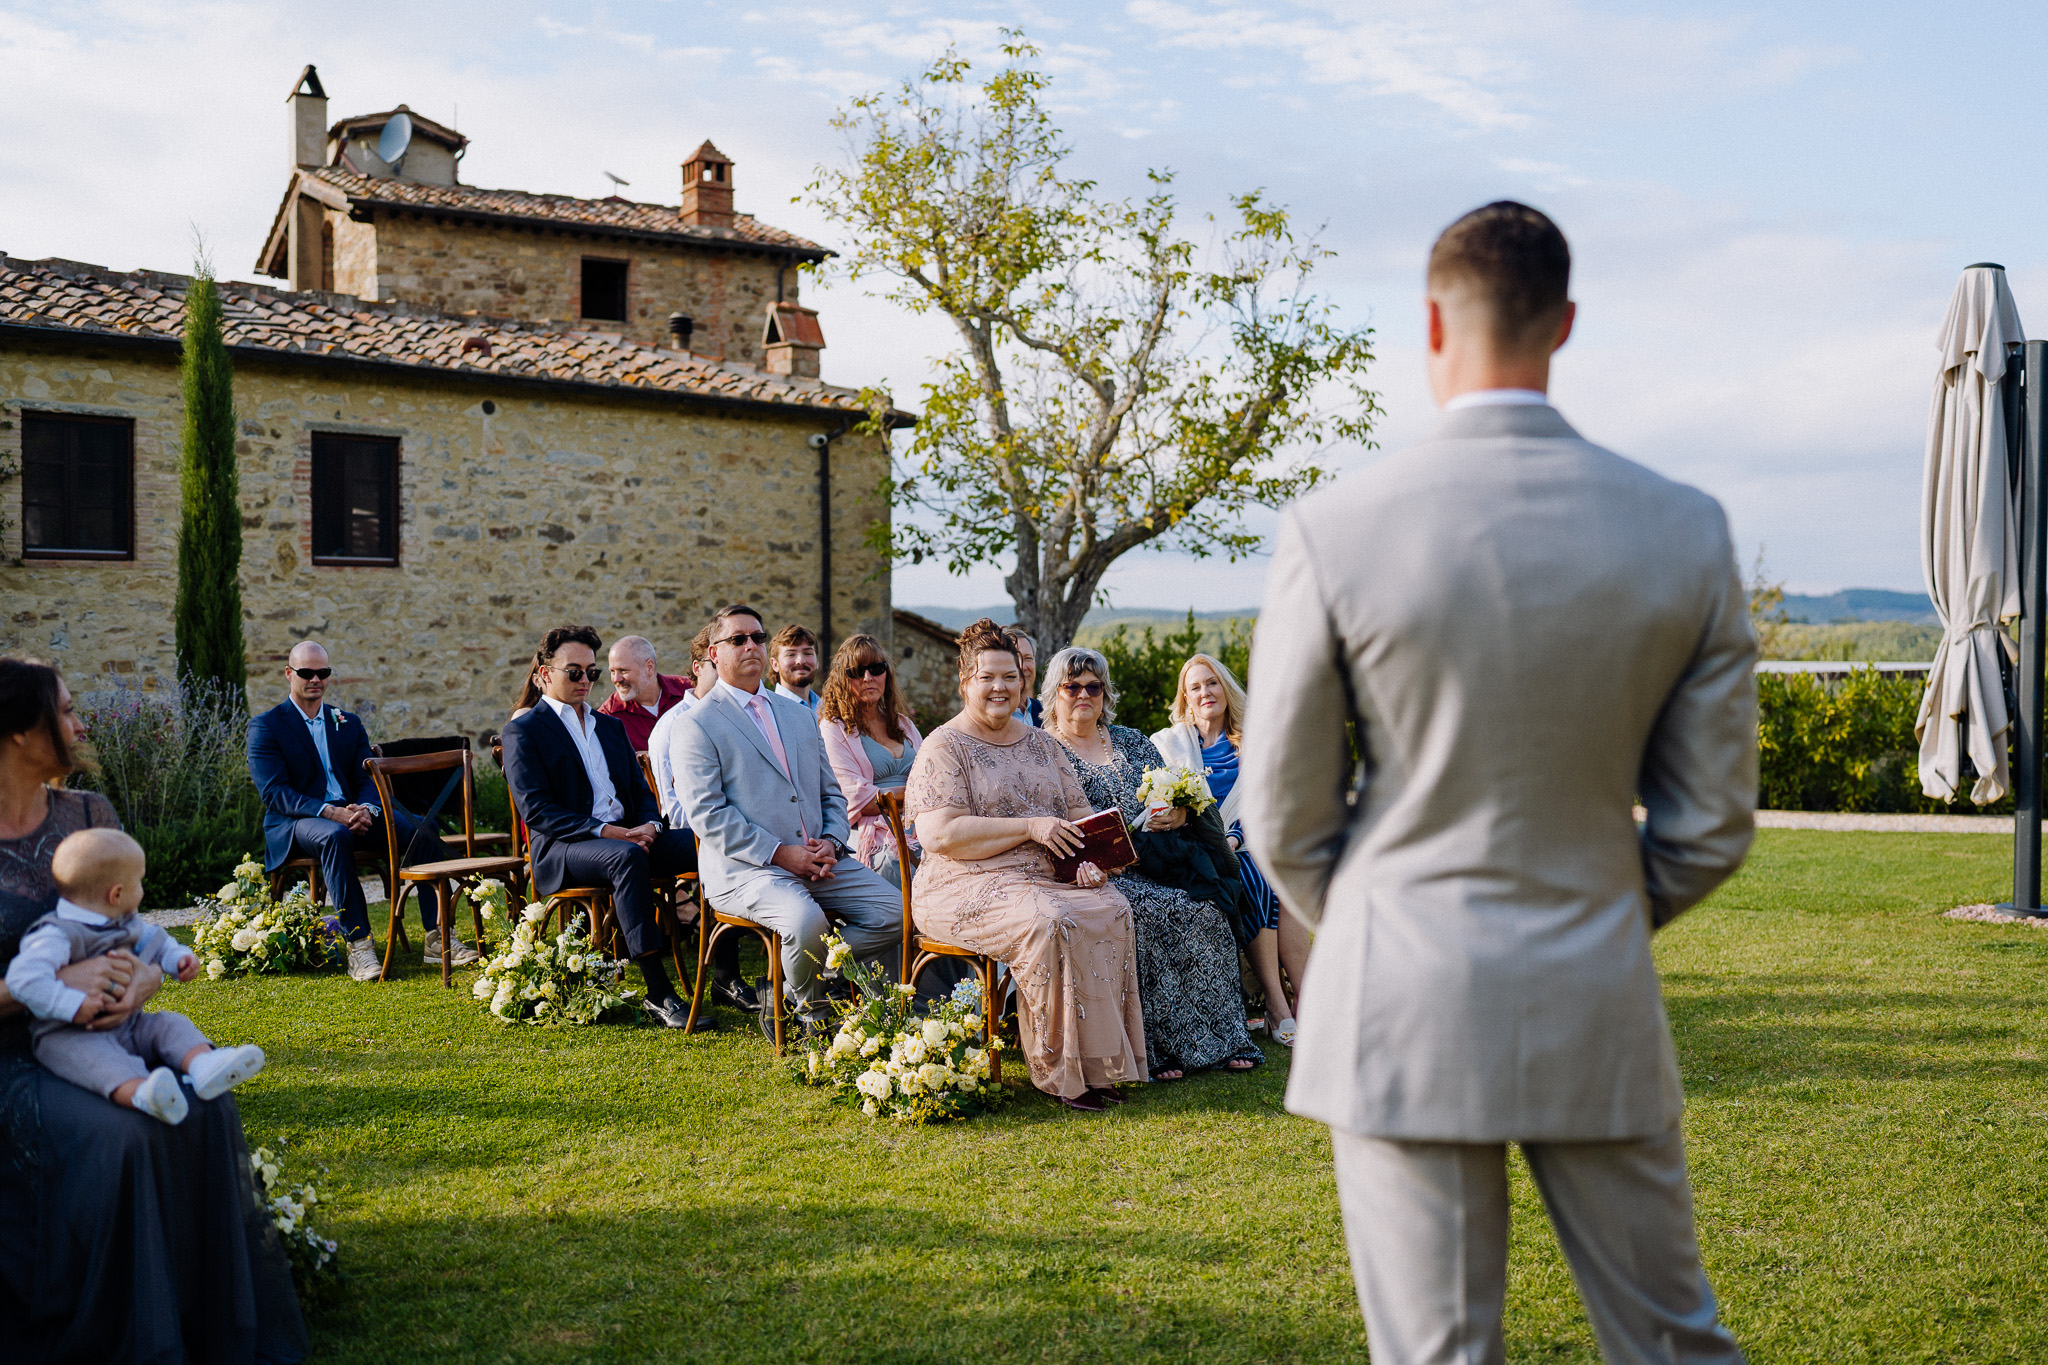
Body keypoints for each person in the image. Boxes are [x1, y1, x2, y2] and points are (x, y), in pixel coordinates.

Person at [1240, 201, 1753, 1363]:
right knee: (1672, 1344)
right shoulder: (1683, 529)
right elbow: (1709, 825)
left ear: (1430, 321)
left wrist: (1381, 921)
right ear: (1563, 323)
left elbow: (1281, 815)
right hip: (1595, 989)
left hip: (1396, 1001)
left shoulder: (1334, 528)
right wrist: (1598, 912)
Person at [0, 657, 306, 1361]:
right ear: (19, 730)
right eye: (66, 711)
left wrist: (143, 982)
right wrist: (59, 981)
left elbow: (132, 934)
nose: (81, 725)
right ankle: (130, 1335)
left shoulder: (88, 816)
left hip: (115, 1030)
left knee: (207, 1107)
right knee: (127, 1135)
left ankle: (206, 1322)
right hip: (20, 1052)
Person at [904, 619, 1146, 1112]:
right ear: (965, 682)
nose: (1000, 687)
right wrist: (1030, 827)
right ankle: (1060, 1072)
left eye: (1010, 677)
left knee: (1112, 907)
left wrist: (1089, 862)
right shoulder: (944, 746)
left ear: (1023, 683)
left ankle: (1097, 1065)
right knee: (1049, 920)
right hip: (961, 882)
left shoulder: (1043, 744)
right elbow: (940, 834)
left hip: (1045, 877)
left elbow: (1079, 815)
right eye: (987, 677)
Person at [672, 605, 902, 1037]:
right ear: (713, 653)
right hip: (746, 870)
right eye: (738, 639)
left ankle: (793, 986)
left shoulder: (798, 715)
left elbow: (831, 793)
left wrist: (832, 841)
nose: (751, 646)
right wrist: (780, 854)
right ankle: (813, 1015)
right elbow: (708, 814)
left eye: (758, 638)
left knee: (897, 912)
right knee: (806, 922)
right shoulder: (696, 725)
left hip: (820, 859)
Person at [1040, 646, 1261, 1082]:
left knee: (1207, 909)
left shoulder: (1131, 740)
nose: (1084, 695)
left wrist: (1177, 813)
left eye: (1094, 687)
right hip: (1098, 874)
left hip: (1159, 860)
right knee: (1154, 914)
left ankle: (1225, 1039)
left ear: (1105, 693)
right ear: (1055, 693)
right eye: (1072, 687)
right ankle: (1160, 1050)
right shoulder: (1045, 751)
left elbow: (1174, 794)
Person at [500, 625, 703, 1031]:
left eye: (591, 672)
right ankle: (657, 991)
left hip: (628, 838)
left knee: (706, 843)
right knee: (625, 857)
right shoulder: (524, 730)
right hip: (564, 846)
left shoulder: (609, 726)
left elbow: (641, 792)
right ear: (544, 674)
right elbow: (537, 811)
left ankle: (728, 972)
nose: (585, 680)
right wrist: (607, 832)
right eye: (574, 671)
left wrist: (650, 825)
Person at [249, 640, 474, 981]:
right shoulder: (266, 726)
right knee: (335, 836)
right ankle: (359, 944)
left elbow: (366, 776)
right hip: (300, 821)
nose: (315, 679)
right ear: (288, 674)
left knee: (421, 828)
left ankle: (437, 936)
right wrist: (329, 812)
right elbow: (275, 793)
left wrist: (368, 808)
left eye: (323, 672)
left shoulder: (347, 722)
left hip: (354, 813)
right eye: (306, 672)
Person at [8, 828, 267, 1125]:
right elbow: (22, 978)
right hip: (70, 1035)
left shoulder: (124, 920)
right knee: (100, 1062)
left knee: (168, 1024)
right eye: (139, 882)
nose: (142, 890)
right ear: (116, 894)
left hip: (129, 1025)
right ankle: (144, 1094)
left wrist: (178, 958)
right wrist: (72, 1004)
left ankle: (203, 1065)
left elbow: (158, 941)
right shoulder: (56, 934)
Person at [1153, 653, 1309, 1047]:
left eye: (1212, 683)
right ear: (1185, 698)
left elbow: (1268, 804)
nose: (1205, 692)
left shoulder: (1254, 742)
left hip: (1250, 839)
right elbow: (1162, 804)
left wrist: (1236, 839)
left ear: (1225, 689)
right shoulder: (1170, 744)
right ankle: (1277, 1003)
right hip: (1195, 848)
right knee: (1258, 878)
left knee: (1282, 882)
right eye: (1195, 687)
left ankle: (1306, 999)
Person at [645, 623, 752, 1013]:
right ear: (699, 667)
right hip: (690, 832)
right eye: (714, 664)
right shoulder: (673, 725)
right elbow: (673, 807)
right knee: (730, 849)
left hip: (742, 823)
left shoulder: (740, 715)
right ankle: (726, 976)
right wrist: (725, 825)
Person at [816, 634, 924, 887]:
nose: (868, 678)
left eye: (876, 668)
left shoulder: (904, 724)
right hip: (874, 835)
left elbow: (931, 774)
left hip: (921, 825)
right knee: (898, 864)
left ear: (887, 673)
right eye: (856, 671)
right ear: (842, 679)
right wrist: (918, 794)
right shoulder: (834, 729)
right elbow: (856, 798)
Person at [599, 634, 693, 751]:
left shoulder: (689, 690)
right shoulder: (607, 718)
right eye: (612, 671)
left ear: (649, 667)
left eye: (623, 670)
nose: (616, 679)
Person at [769, 624, 822, 713]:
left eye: (808, 653)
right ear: (775, 664)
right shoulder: (769, 710)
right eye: (791, 655)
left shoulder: (828, 710)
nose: (800, 661)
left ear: (817, 661)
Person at [1005, 626, 1043, 726]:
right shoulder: (992, 715)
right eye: (1015, 658)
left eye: (1028, 658)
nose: (1022, 666)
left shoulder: (1046, 713)